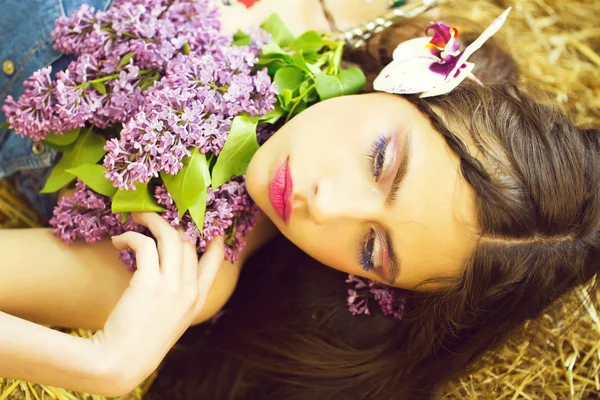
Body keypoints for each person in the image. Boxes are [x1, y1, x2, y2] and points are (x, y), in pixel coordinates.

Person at [2, 2, 598, 400]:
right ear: (411, 78)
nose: (325, 204)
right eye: (380, 161)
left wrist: (101, 367)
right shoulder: (344, 13)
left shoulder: (183, 265)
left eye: (371, 247)